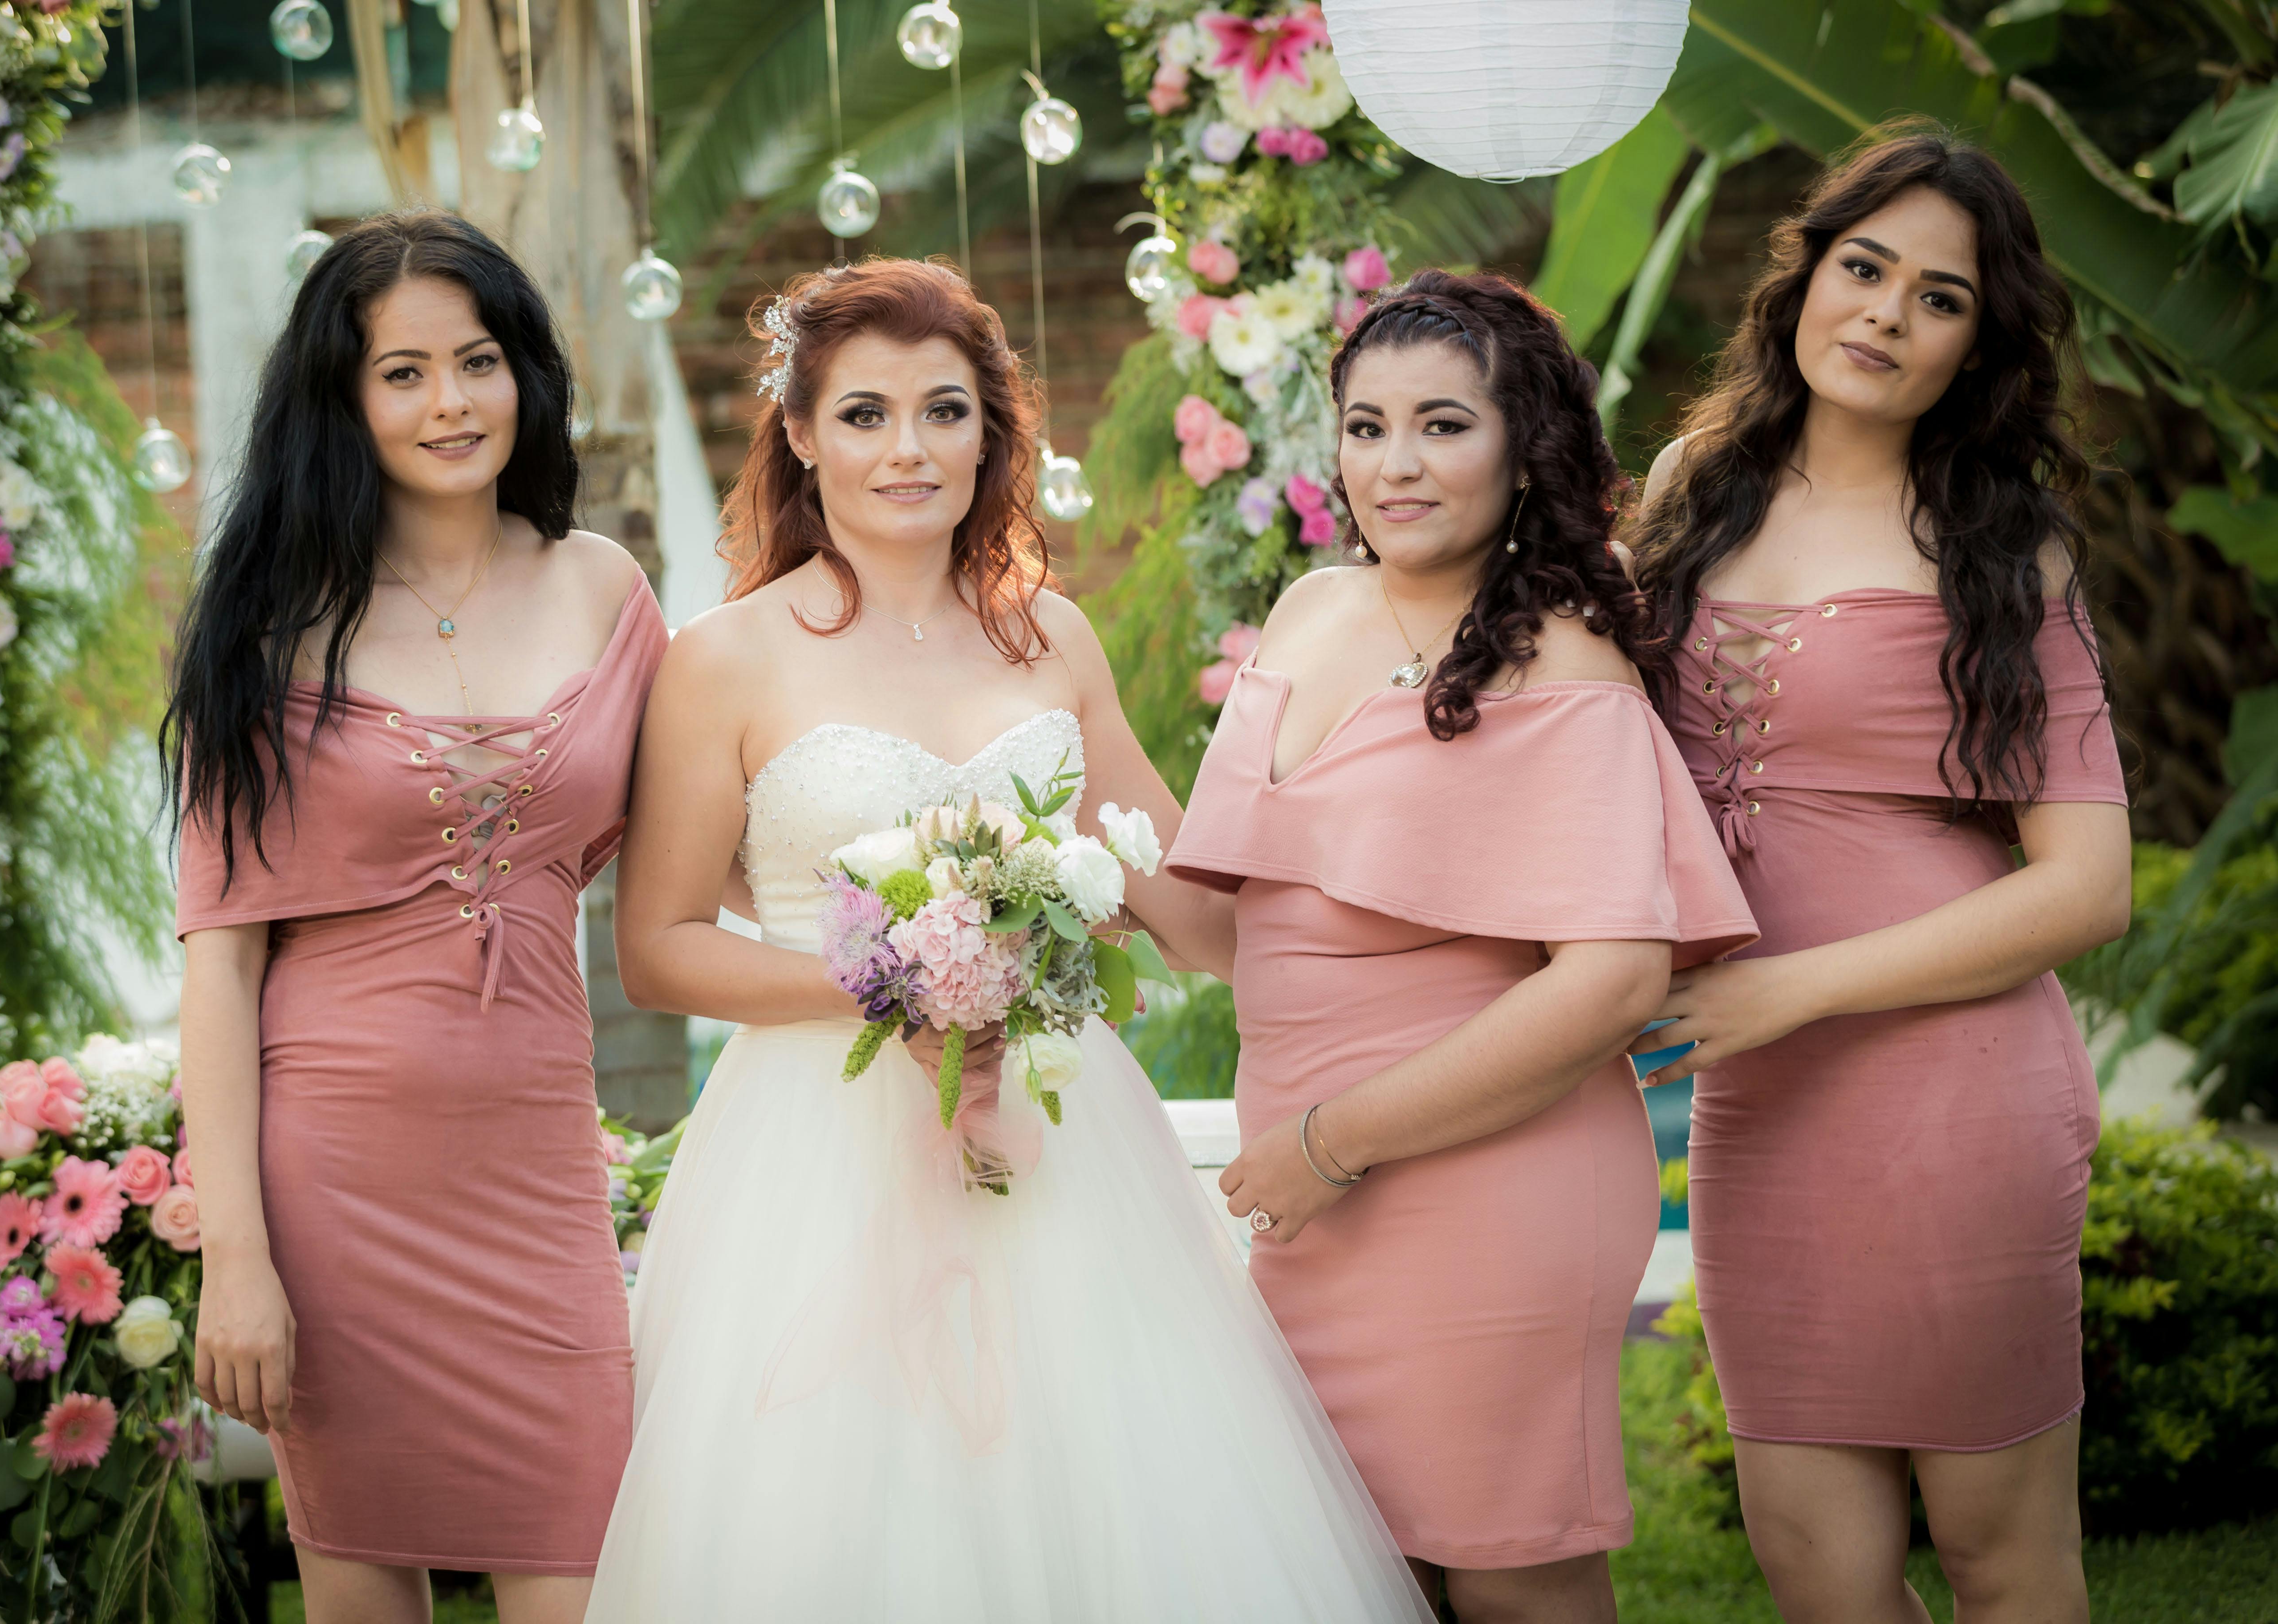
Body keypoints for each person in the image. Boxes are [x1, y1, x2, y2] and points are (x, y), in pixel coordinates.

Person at [583, 257, 1430, 1624]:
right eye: (863, 415)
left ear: (994, 430)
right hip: (819, 1144)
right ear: (800, 435)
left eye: (943, 411)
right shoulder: (722, 658)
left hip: (1059, 1130)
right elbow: (661, 950)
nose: (907, 450)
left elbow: (1199, 913)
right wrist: (897, 986)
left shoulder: (1054, 638)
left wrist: (1357, 738)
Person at [1165, 269, 1756, 1624]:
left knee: (1509, 1571)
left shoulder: (1564, 661)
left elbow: (1612, 978)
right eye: (1365, 428)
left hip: (1484, 1179)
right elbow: (1228, 932)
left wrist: (1331, 1145)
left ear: (1524, 445)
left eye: (1442, 425)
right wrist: (1048, 843)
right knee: (1355, 1574)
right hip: (1313, 1196)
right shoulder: (1315, 611)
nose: (1396, 464)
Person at [1629, 128, 2131, 1623]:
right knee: (1818, 1576)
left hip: (1953, 1101)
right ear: (1805, 275)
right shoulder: (1691, 486)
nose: (1886, 315)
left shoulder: (2003, 548)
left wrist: (1790, 991)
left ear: (1976, 349)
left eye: (1939, 298)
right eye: (1864, 269)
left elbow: (2087, 888)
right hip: (1763, 1110)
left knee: (2000, 1561)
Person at [164, 210, 663, 1624]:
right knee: (361, 1597)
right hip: (336, 1200)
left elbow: (703, 853)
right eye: (404, 373)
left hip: (540, 1191)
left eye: (479, 361)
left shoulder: (606, 591)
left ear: (527, 376)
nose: (451, 402)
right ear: (344, 399)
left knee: (590, 1581)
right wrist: (238, 1264)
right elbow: (220, 966)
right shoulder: (269, 632)